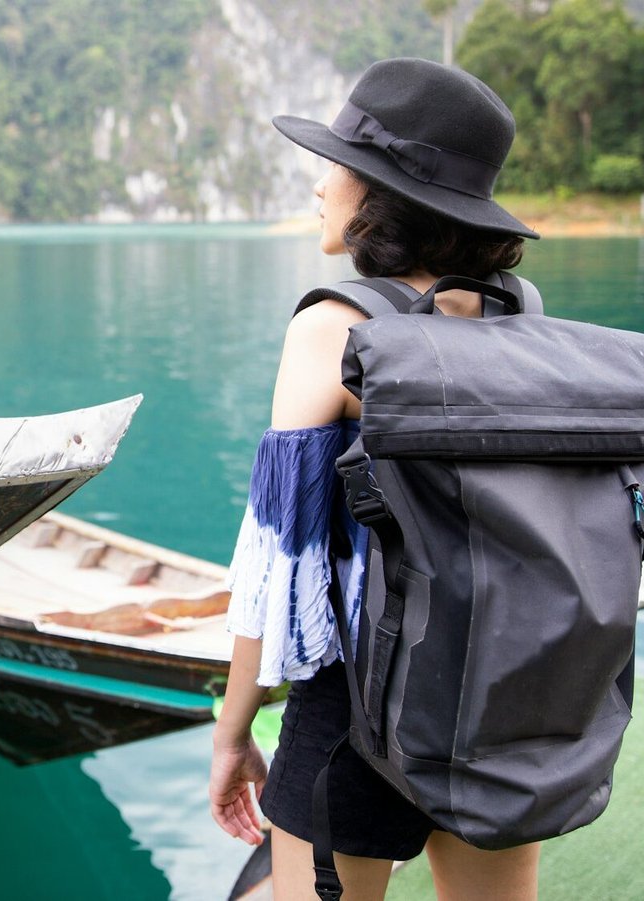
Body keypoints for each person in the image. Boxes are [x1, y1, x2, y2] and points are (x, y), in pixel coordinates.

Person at [207, 58, 542, 901]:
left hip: (361, 705)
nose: (320, 186)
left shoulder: (339, 324)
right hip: (503, 697)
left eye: (334, 166)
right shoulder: (521, 311)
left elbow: (281, 563)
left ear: (381, 191)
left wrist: (233, 730)